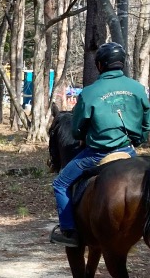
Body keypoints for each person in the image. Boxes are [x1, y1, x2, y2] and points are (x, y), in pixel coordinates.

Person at [50, 41, 150, 247]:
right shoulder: (138, 89)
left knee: (60, 183)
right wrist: (138, 139)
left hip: (97, 153)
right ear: (122, 63)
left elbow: (77, 129)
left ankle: (69, 231)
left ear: (99, 65)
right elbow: (147, 122)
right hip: (128, 152)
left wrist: (83, 135)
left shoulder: (88, 92)